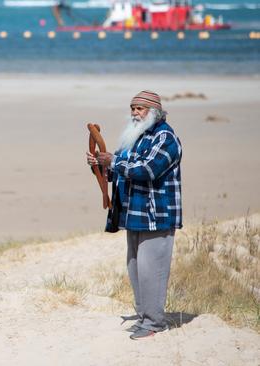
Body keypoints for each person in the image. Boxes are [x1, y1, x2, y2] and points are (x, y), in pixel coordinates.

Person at [87, 90, 182, 340]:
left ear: (155, 112)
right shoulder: (135, 137)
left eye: (140, 108)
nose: (134, 113)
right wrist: (99, 165)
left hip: (156, 215)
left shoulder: (166, 137)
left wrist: (113, 161)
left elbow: (147, 170)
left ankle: (154, 323)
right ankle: (144, 318)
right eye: (132, 108)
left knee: (152, 270)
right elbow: (118, 171)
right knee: (136, 269)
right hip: (133, 214)